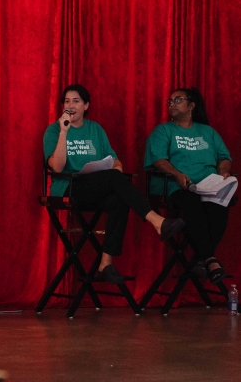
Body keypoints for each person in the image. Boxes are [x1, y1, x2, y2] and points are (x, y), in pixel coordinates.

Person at [43, 84, 184, 283]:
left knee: (119, 198)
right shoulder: (54, 130)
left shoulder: (95, 129)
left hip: (96, 186)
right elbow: (57, 167)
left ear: (86, 105)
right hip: (68, 187)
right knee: (114, 180)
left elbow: (115, 160)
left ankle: (105, 263)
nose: (70, 105)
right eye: (67, 101)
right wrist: (63, 133)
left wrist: (116, 168)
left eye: (76, 101)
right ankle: (157, 221)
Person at [144, 87, 233, 283]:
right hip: (175, 185)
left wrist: (223, 172)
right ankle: (209, 258)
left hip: (207, 185)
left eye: (177, 100)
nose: (171, 104)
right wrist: (176, 174)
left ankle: (202, 259)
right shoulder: (164, 130)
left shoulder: (207, 132)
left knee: (221, 203)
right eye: (170, 101)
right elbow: (159, 160)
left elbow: (224, 158)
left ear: (191, 106)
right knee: (192, 202)